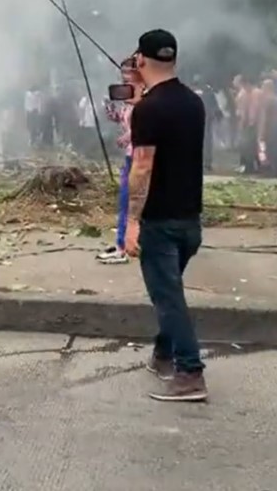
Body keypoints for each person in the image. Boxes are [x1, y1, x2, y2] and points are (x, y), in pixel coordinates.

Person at [125, 29, 207, 402]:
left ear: (140, 60)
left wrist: (131, 222)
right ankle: (163, 354)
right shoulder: (194, 102)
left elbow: (142, 167)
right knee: (169, 292)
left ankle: (189, 373)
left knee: (168, 299)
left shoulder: (148, 109)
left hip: (160, 221)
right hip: (190, 219)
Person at [97, 57, 145, 265]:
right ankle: (126, 242)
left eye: (128, 72)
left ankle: (122, 247)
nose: (124, 76)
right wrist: (110, 109)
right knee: (126, 201)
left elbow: (144, 124)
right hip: (130, 155)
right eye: (123, 72)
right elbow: (121, 119)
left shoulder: (144, 98)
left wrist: (129, 136)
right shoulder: (129, 98)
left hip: (139, 156)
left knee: (128, 201)